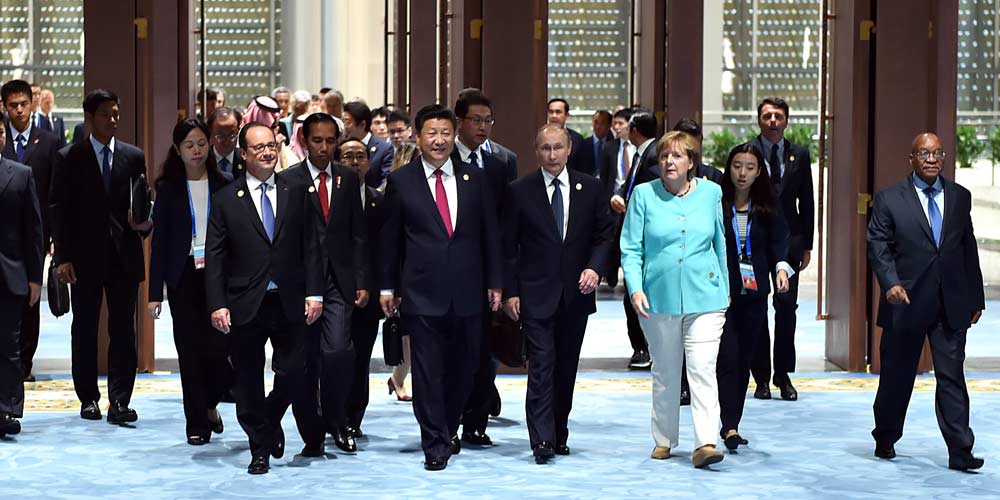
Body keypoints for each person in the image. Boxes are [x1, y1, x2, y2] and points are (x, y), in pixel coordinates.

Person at [379, 104, 502, 471]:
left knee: (464, 370)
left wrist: (496, 281)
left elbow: (490, 236)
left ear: (455, 135)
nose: (439, 140)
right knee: (428, 372)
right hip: (421, 293)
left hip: (469, 292)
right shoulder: (402, 182)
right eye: (431, 133)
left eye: (445, 133)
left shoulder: (475, 179)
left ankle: (448, 428)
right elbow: (390, 241)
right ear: (418, 138)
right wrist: (388, 286)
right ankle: (434, 442)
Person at [205, 122, 326, 474]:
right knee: (247, 378)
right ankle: (259, 447)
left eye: (272, 145)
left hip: (291, 299)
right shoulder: (227, 199)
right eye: (258, 147)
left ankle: (270, 416)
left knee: (294, 369)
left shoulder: (297, 188)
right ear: (244, 154)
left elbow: (313, 246)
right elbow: (216, 254)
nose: (267, 152)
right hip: (245, 301)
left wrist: (315, 292)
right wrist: (217, 302)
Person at [867, 132, 985, 471]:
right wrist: (889, 284)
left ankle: (961, 450)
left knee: (951, 376)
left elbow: (968, 247)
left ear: (944, 158)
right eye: (923, 153)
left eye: (936, 153)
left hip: (951, 303)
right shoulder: (890, 198)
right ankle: (886, 435)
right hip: (904, 300)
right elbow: (878, 245)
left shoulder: (960, 197)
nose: (931, 159)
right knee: (897, 376)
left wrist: (975, 297)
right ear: (912, 159)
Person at [503, 124, 614, 463]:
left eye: (557, 148)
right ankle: (541, 439)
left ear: (569, 150)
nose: (552, 155)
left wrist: (595, 268)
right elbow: (509, 246)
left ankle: (559, 431)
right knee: (541, 366)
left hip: (575, 295)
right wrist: (510, 292)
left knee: (565, 368)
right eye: (545, 148)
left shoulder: (591, 188)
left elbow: (604, 235)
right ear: (537, 151)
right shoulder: (520, 190)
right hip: (535, 294)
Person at [620, 130, 729, 468]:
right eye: (665, 156)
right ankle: (664, 438)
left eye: (678, 155)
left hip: (706, 297)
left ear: (691, 162)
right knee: (666, 372)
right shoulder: (642, 195)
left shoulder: (712, 192)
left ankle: (706, 442)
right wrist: (635, 288)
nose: (669, 161)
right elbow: (630, 247)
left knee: (702, 369)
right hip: (657, 297)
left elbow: (720, 242)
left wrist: (724, 289)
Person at [50, 89, 152, 424]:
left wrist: (143, 224)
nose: (113, 120)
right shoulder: (70, 157)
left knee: (124, 330)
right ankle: (88, 398)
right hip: (82, 258)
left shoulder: (133, 156)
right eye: (106, 114)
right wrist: (62, 256)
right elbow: (59, 209)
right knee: (85, 329)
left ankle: (120, 401)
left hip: (123, 256)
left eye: (116, 113)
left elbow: (143, 204)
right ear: (89, 118)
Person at [279, 112, 367, 454]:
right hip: (300, 284)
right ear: (304, 140)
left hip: (339, 283)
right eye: (317, 140)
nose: (324, 147)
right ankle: (310, 428)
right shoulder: (288, 180)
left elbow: (358, 234)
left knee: (337, 352)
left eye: (331, 141)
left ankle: (338, 419)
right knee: (303, 361)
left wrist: (361, 278)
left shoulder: (347, 178)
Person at [148, 118, 234, 445]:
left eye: (201, 143)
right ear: (178, 150)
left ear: (209, 145)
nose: (196, 150)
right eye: (189, 145)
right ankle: (196, 423)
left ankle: (211, 402)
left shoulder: (226, 183)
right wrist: (155, 293)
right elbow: (160, 245)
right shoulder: (168, 189)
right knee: (189, 352)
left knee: (219, 347)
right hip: (183, 277)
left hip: (219, 277)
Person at [715, 143, 793, 452]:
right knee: (726, 359)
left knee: (744, 359)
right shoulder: (717, 204)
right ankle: (726, 424)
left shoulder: (768, 207)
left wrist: (782, 269)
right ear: (728, 168)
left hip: (756, 293)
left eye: (749, 167)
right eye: (736, 166)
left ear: (759, 171)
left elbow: (780, 243)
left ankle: (732, 423)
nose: (742, 173)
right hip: (722, 293)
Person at [451, 89, 516, 445]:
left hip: (488, 271)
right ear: (458, 122)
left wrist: (505, 276)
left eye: (487, 120)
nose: (482, 127)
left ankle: (475, 422)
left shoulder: (503, 161)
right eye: (475, 120)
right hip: (450, 269)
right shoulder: (443, 159)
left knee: (483, 348)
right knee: (452, 350)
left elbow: (508, 223)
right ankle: (450, 418)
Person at [750, 97, 814, 401]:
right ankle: (760, 377)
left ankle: (783, 374)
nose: (772, 121)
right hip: (757, 242)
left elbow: (808, 202)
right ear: (758, 120)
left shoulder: (798, 155)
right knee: (757, 308)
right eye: (767, 116)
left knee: (786, 309)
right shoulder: (747, 152)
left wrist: (807, 245)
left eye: (778, 116)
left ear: (786, 120)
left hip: (790, 243)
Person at [1, 79, 60, 382]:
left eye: (24, 104)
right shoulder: (1, 139)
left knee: (31, 299)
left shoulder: (48, 141)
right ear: (5, 107)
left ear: (32, 103)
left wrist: (55, 237)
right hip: (6, 234)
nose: (20, 110)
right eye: (13, 106)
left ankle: (25, 362)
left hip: (37, 234)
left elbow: (56, 192)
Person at [338, 137, 385, 437]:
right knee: (334, 356)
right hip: (332, 293)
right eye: (347, 157)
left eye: (360, 156)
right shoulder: (323, 199)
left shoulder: (379, 202)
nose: (355, 162)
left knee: (360, 359)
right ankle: (331, 412)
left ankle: (354, 416)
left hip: (368, 296)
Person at [0, 122, 43, 439]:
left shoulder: (21, 174)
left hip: (11, 274)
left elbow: (34, 231)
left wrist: (35, 278)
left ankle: (8, 409)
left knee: (10, 347)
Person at [610, 110, 659, 371]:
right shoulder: (642, 154)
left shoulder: (653, 157)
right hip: (628, 227)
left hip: (644, 236)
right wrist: (619, 196)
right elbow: (627, 184)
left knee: (635, 295)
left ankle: (644, 348)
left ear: (635, 130)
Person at [386, 141, 418, 402]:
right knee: (408, 336)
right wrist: (392, 287)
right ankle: (398, 378)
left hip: (428, 274)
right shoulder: (396, 190)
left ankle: (398, 378)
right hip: (404, 276)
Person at [598, 108, 633, 289]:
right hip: (613, 201)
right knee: (612, 238)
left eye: (621, 123)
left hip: (632, 201)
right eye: (615, 124)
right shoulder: (610, 148)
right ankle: (611, 275)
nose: (616, 128)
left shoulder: (638, 149)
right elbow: (604, 178)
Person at [343, 100, 394, 189]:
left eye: (347, 122)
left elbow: (386, 180)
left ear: (362, 124)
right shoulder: (343, 146)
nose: (345, 126)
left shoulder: (384, 148)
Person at [673, 118, 724, 183]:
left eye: (695, 145)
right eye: (687, 145)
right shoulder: (660, 175)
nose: (691, 150)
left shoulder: (713, 176)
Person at [546, 98, 588, 175]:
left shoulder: (578, 139)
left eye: (558, 112)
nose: (554, 116)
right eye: (551, 112)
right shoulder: (540, 137)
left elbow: (583, 168)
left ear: (566, 115)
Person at [208, 106, 245, 176]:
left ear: (238, 131)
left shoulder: (246, 160)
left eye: (232, 135)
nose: (226, 141)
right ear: (211, 134)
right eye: (220, 136)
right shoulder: (203, 160)